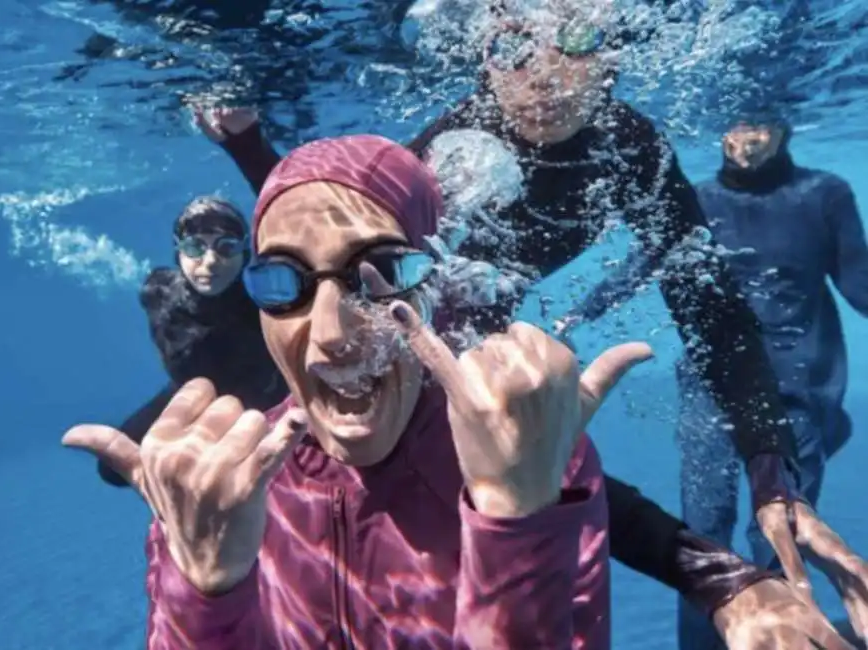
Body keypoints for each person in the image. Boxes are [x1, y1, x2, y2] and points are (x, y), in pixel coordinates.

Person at [198, 0, 868, 627]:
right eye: (512, 44)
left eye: (575, 39)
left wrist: (771, 476)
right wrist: (247, 146)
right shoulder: (450, 143)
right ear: (482, 55)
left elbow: (712, 312)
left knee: (522, 456)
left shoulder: (629, 146)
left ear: (611, 54)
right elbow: (328, 225)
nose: (541, 73)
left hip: (474, 342)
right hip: (406, 331)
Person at [67, 135, 861, 649]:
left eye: (378, 276)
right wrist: (203, 591)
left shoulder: (508, 460)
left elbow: (612, 500)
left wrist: (522, 525)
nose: (332, 330)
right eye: (284, 282)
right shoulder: (222, 487)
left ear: (434, 287)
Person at [673, 116, 868, 650]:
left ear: (784, 129)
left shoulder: (823, 193)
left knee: (781, 535)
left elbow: (859, 283)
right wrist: (569, 318)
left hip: (799, 392)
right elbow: (646, 264)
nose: (746, 139)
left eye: (759, 125)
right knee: (703, 534)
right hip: (708, 384)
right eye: (734, 126)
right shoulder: (697, 197)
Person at [97, 196, 288, 487]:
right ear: (179, 253)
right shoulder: (158, 291)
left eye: (226, 247)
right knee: (112, 468)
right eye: (195, 246)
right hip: (186, 394)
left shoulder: (263, 306)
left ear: (245, 254)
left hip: (260, 409)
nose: (210, 261)